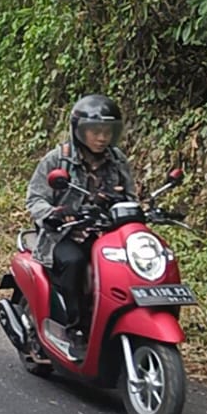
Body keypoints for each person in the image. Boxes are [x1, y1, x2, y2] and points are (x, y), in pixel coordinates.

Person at [25, 94, 138, 355]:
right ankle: (75, 328)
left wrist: (120, 201)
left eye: (107, 131)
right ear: (79, 131)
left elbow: (131, 197)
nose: (102, 138)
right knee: (75, 263)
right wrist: (53, 213)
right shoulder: (58, 159)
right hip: (64, 236)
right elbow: (35, 198)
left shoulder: (117, 161)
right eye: (95, 131)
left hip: (106, 235)